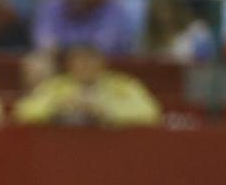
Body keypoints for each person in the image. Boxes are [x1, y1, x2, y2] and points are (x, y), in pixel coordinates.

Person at [13, 43, 162, 126]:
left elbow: (150, 112)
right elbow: (23, 111)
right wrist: (55, 108)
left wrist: (108, 112)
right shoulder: (55, 86)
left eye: (90, 60)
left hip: (112, 152)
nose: (85, 66)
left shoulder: (123, 85)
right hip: (63, 150)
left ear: (102, 63)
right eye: (80, 61)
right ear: (70, 65)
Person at [138, 0, 212, 59]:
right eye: (158, 10)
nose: (163, 16)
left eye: (167, 9)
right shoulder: (146, 39)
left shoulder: (196, 31)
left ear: (177, 8)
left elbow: (205, 62)